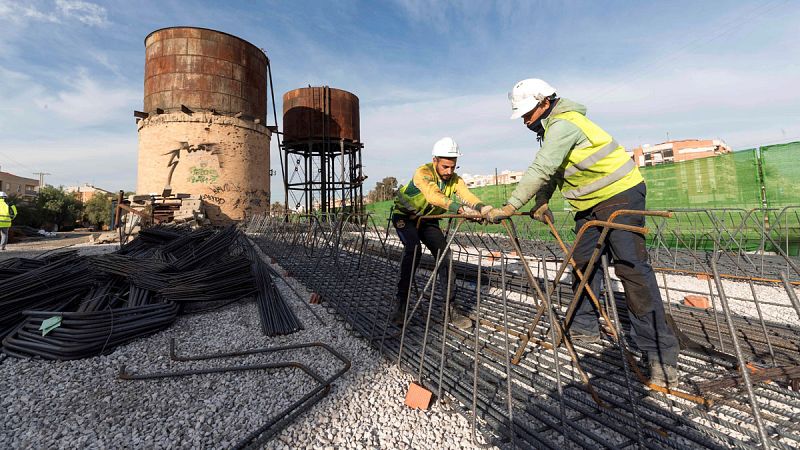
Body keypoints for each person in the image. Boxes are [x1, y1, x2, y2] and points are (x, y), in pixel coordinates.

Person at [485, 79, 680, 386]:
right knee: (583, 263)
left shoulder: (565, 123)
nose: (524, 121)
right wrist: (541, 200)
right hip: (589, 205)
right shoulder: (550, 130)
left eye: (527, 113)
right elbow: (553, 172)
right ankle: (584, 326)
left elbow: (542, 168)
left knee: (631, 268)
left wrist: (510, 206)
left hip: (621, 194)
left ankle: (660, 354)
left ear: (544, 102)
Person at [391, 137, 491, 330]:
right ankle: (401, 305)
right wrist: (460, 209)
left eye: (453, 167)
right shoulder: (423, 173)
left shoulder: (454, 179)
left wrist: (482, 208)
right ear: (435, 160)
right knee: (413, 250)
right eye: (445, 167)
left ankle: (449, 309)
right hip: (405, 217)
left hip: (427, 220)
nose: (449, 171)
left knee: (446, 256)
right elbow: (433, 196)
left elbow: (466, 195)